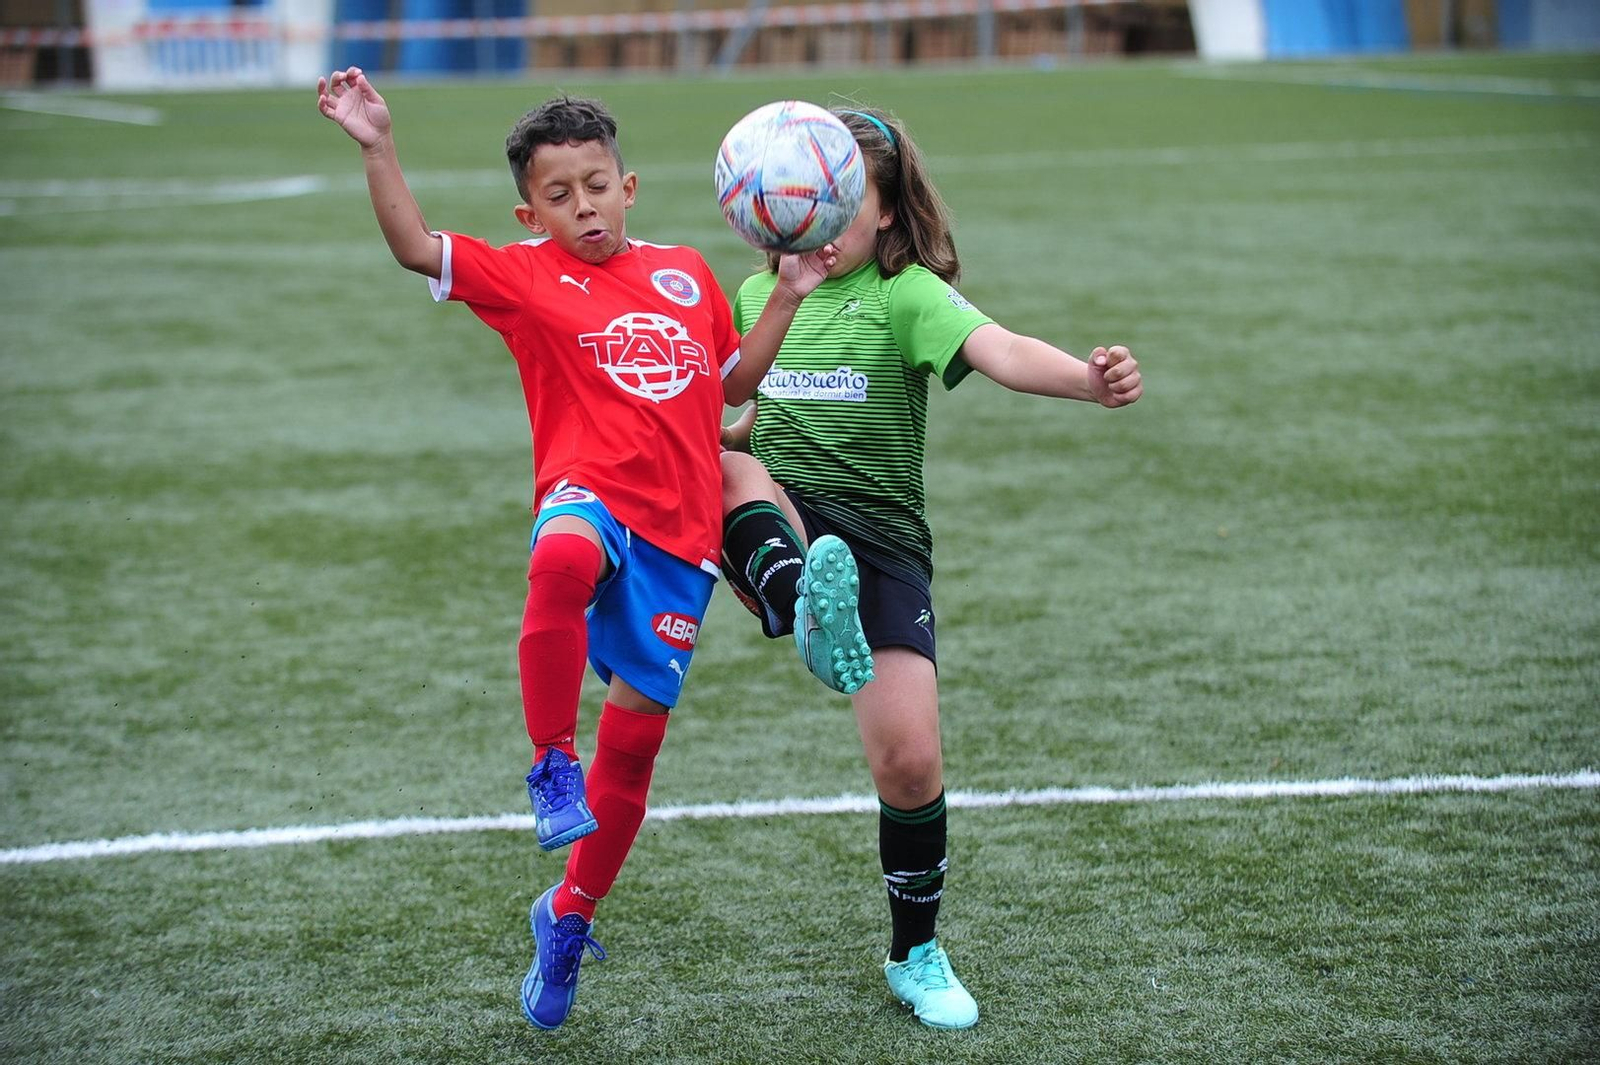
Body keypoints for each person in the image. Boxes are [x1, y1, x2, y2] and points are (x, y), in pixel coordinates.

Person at [316, 68, 842, 1031]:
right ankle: (550, 760)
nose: (583, 206)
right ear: (530, 212)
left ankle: (569, 914)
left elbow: (731, 388)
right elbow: (410, 247)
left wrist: (791, 294)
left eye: (596, 185)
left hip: (679, 539)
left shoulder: (684, 271)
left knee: (636, 750)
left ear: (627, 186)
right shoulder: (523, 277)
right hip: (588, 498)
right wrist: (375, 142)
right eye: (557, 196)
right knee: (558, 556)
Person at [718, 104, 1143, 1031]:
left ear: (887, 218)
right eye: (801, 203)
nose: (817, 224)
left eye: (839, 204)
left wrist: (1088, 379)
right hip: (782, 516)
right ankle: (799, 603)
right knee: (719, 459)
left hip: (876, 545)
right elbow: (730, 410)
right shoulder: (755, 302)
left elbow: (1001, 351)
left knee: (909, 765)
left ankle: (915, 951)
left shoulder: (903, 296)